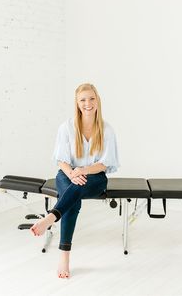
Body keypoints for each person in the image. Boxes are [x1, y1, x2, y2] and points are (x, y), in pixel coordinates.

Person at [30, 83, 119, 278]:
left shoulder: (107, 129)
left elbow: (105, 164)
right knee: (72, 197)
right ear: (77, 104)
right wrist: (72, 173)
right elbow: (61, 160)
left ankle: (51, 218)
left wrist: (83, 170)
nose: (88, 103)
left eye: (92, 98)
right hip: (66, 174)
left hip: (95, 178)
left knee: (76, 189)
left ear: (98, 101)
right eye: (83, 100)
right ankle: (64, 256)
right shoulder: (67, 127)